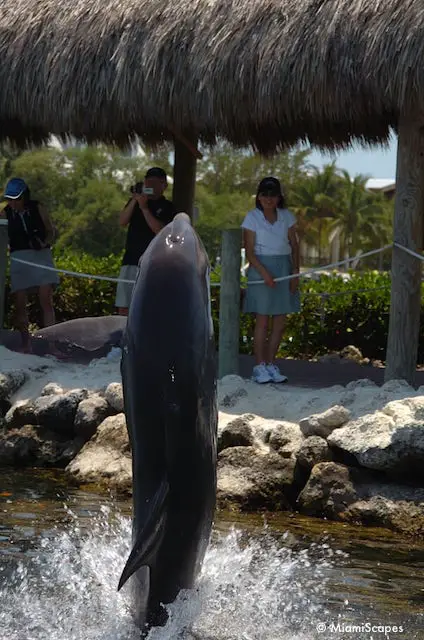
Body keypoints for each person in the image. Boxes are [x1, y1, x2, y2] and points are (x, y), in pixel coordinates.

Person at [241, 176, 300, 384]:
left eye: (273, 195)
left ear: (279, 197)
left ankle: (271, 364)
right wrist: (264, 273)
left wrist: (295, 273)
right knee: (263, 321)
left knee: (279, 322)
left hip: (284, 266)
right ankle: (259, 366)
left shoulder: (287, 217)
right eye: (265, 195)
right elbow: (249, 252)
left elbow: (294, 245)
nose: (269, 199)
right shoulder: (252, 218)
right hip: (260, 268)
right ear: (258, 197)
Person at [0, 177, 59, 352]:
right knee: (19, 301)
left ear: (25, 196)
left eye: (17, 198)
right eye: (10, 199)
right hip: (19, 257)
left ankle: (52, 344)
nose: (13, 203)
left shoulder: (38, 207)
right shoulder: (4, 213)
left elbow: (50, 232)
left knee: (46, 299)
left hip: (42, 256)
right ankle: (26, 344)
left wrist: (43, 242)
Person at [115, 167, 177, 315]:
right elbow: (122, 221)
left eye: (156, 183)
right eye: (148, 183)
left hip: (154, 263)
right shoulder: (136, 201)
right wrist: (135, 200)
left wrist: (145, 209)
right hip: (131, 260)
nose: (151, 187)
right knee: (125, 305)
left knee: (150, 306)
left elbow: (160, 231)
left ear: (164, 186)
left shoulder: (168, 207)